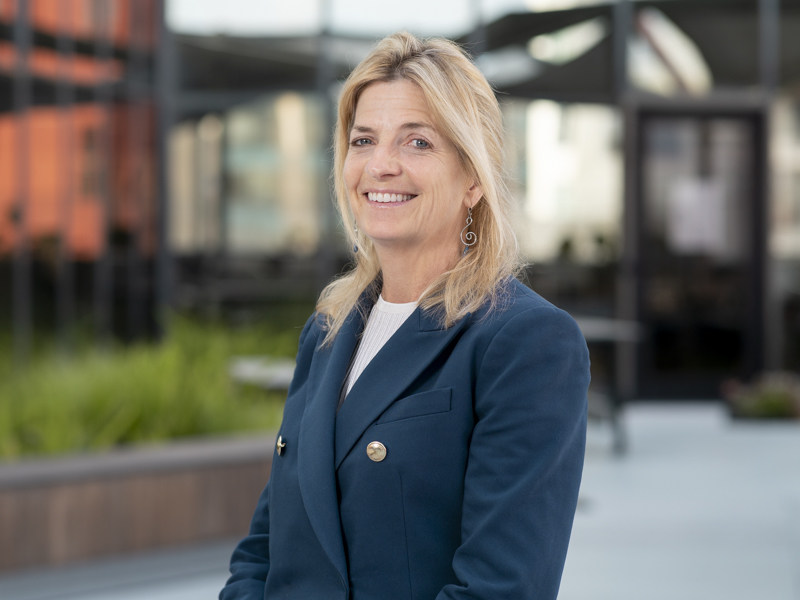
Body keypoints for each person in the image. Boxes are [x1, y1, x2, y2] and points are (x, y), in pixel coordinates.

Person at [220, 31, 590, 600]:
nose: (381, 165)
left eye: (417, 142)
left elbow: (499, 589)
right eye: (363, 140)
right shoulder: (328, 330)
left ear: (473, 178)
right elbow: (265, 548)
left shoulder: (524, 341)